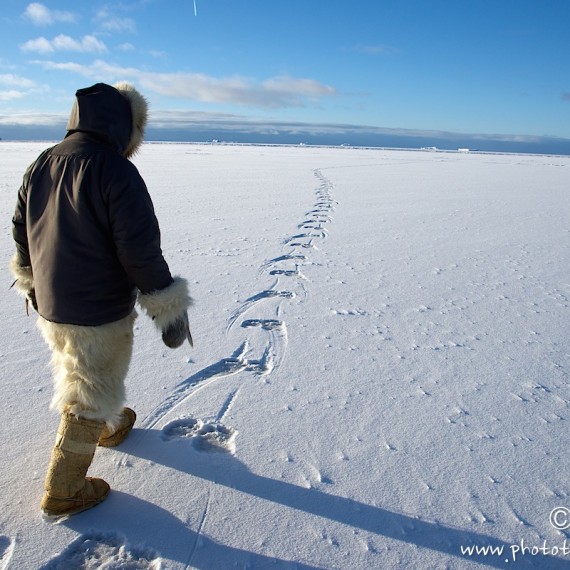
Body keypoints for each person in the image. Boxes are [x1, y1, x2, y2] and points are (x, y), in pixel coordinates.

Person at [10, 82, 193, 518]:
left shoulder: (42, 163)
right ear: (126, 126)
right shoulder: (114, 170)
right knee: (91, 389)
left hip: (51, 303)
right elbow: (140, 250)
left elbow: (22, 231)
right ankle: (65, 487)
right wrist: (168, 309)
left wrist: (33, 284)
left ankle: (107, 426)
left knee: (79, 368)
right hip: (98, 309)